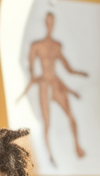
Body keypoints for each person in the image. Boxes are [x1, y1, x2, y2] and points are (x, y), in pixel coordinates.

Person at [21, 11, 88, 163]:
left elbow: (68, 69)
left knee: (71, 116)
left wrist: (82, 74)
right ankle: (49, 156)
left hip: (56, 84)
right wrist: (35, 80)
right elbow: (31, 71)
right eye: (48, 20)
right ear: (45, 22)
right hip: (45, 85)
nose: (50, 24)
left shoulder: (56, 46)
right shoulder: (36, 46)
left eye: (52, 21)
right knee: (46, 122)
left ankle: (77, 147)